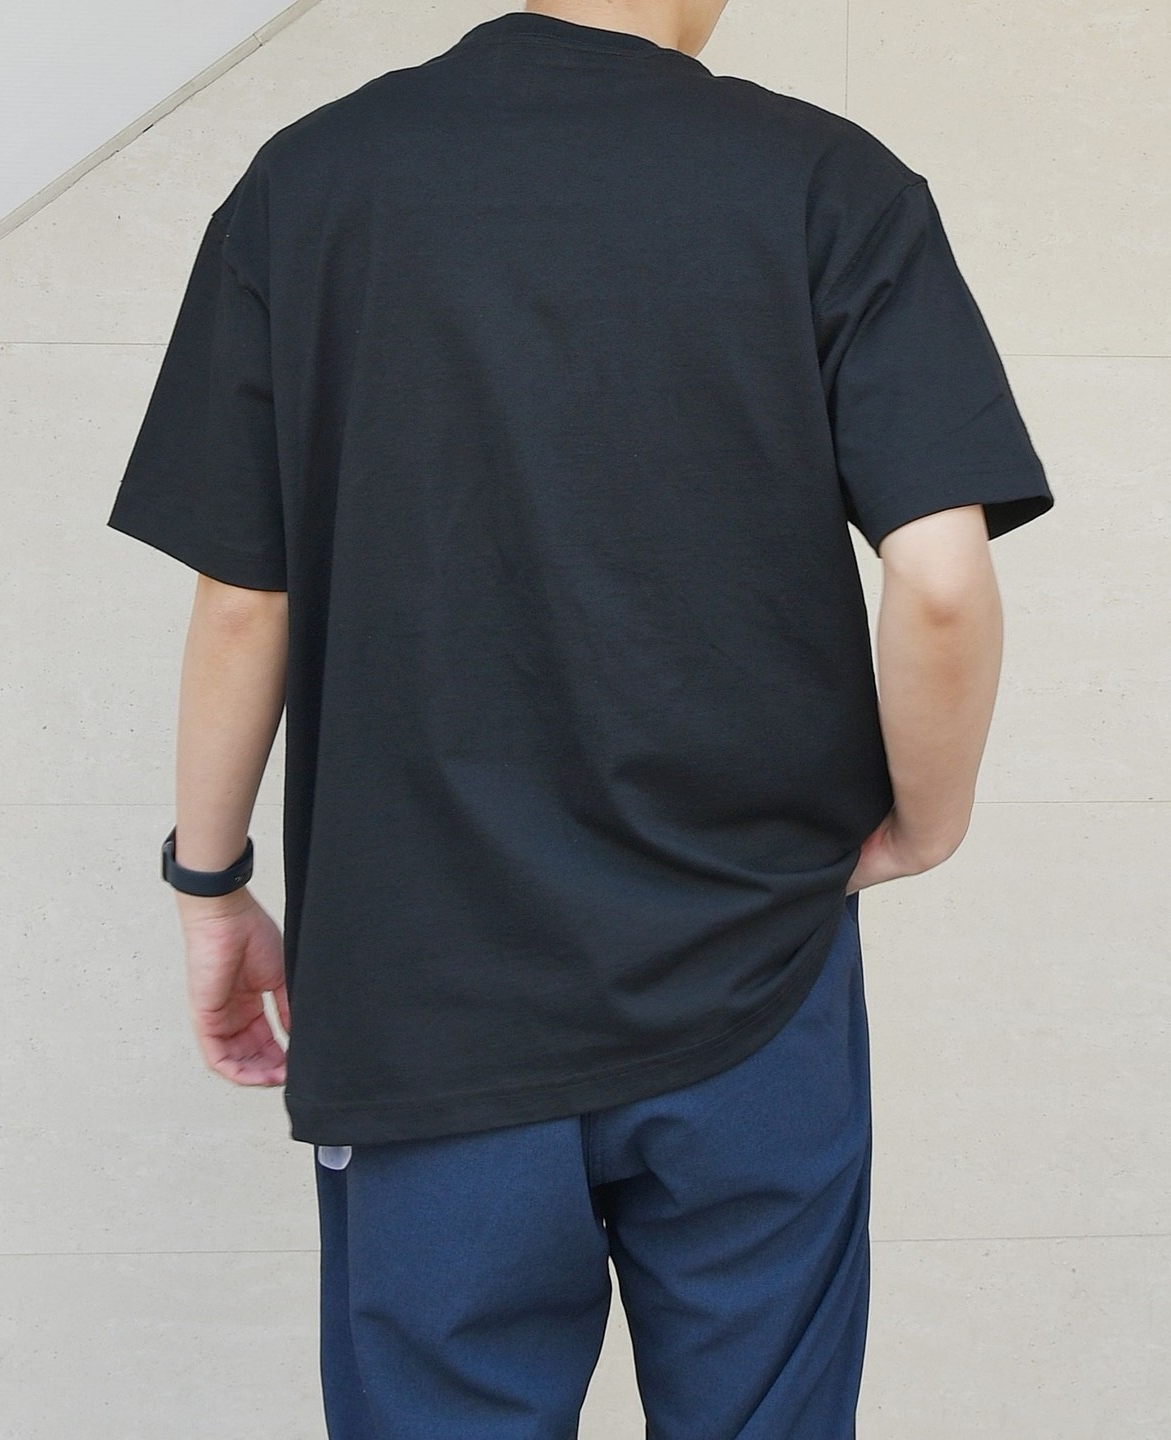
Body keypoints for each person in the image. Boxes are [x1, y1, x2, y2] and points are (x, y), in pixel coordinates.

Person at [105, 1, 1055, 1434]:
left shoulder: (312, 181)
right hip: (752, 978)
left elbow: (244, 599)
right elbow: (938, 581)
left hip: (427, 999)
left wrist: (211, 887)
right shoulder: (830, 182)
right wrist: (929, 822)